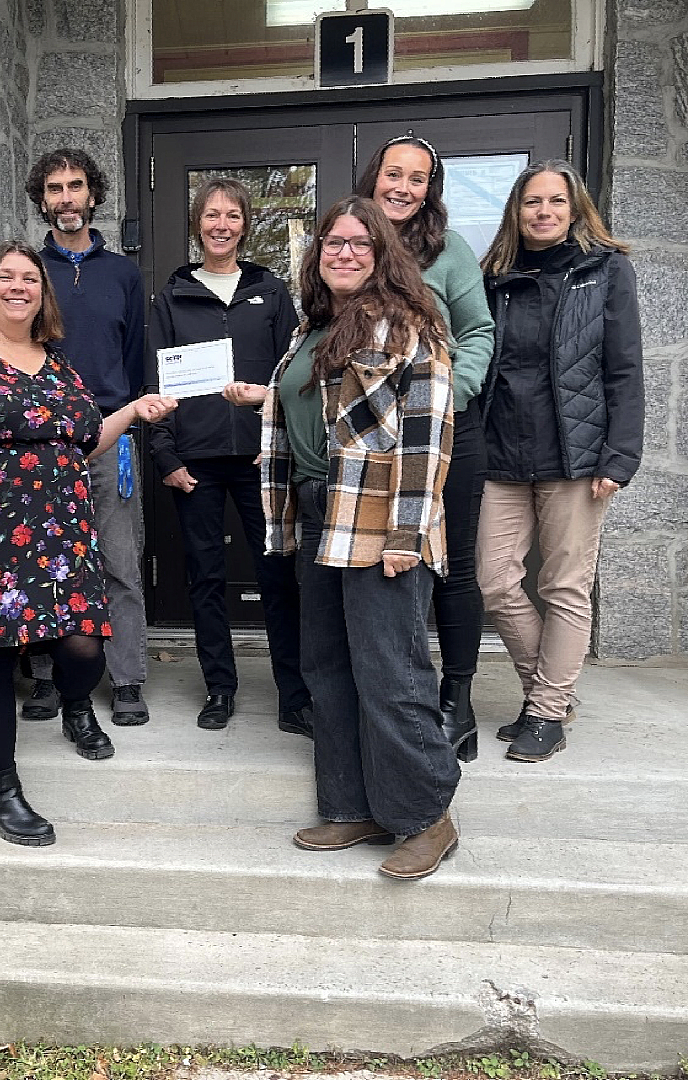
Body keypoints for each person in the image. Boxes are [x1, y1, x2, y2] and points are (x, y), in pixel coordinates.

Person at [0, 240, 176, 847]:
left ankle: (77, 706)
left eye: (30, 278)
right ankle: (2, 792)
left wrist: (131, 411)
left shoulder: (58, 363)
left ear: (43, 293)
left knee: (83, 647)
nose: (19, 286)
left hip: (63, 534)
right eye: (6, 276)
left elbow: (81, 440)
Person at [224, 196, 461, 880]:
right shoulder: (312, 328)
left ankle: (426, 816)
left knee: (391, 670)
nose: (346, 254)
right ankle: (352, 804)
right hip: (319, 511)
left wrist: (406, 534)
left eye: (360, 243)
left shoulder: (410, 325)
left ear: (382, 252)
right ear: (316, 254)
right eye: (333, 244)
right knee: (326, 667)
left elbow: (428, 435)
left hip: (380, 515)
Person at [477, 160, 642, 763]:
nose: (543, 212)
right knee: (495, 583)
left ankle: (546, 710)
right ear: (515, 213)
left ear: (575, 211)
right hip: (500, 453)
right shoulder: (493, 277)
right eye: (531, 203)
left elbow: (624, 368)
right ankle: (547, 694)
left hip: (577, 455)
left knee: (564, 585)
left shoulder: (604, 272)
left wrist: (619, 456)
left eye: (555, 202)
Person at [149, 177, 309, 734]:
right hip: (196, 463)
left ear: (245, 224)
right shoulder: (172, 297)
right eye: (211, 215)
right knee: (206, 579)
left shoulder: (273, 292)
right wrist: (166, 456)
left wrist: (283, 444)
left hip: (261, 461)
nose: (221, 225)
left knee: (278, 578)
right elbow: (156, 383)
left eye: (232, 216)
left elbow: (295, 374)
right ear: (197, 224)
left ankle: (295, 694)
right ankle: (220, 688)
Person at [356, 133, 494, 762]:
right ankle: (393, 695)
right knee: (384, 562)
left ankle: (456, 697)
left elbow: (479, 331)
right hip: (367, 439)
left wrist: (450, 396)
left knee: (451, 566)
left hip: (445, 435)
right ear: (374, 176)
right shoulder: (352, 244)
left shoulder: (449, 252)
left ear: (429, 188)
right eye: (393, 174)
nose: (402, 188)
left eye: (416, 178)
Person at [21, 148, 151, 727]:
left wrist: (124, 417)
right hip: (42, 441)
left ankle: (126, 679)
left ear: (94, 195)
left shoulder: (123, 272)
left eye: (76, 186)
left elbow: (133, 357)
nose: (66, 197)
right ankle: (46, 677)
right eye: (55, 188)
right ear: (42, 199)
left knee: (119, 561)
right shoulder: (28, 271)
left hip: (109, 435)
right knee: (46, 562)